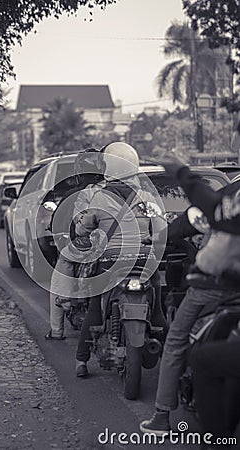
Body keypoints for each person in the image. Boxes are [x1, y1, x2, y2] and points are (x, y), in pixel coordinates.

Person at [140, 153, 240, 436]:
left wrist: (181, 173)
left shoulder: (230, 197)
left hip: (212, 285)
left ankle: (162, 416)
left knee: (176, 340)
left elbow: (201, 213)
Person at [74, 142, 168, 377]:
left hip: (109, 261)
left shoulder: (99, 197)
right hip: (143, 260)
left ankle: (81, 361)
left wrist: (82, 231)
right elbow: (161, 227)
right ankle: (170, 355)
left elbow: (84, 228)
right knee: (157, 302)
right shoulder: (146, 197)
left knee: (95, 308)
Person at [45, 149, 105, 340]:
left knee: (62, 269)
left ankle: (57, 331)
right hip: (116, 246)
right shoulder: (112, 191)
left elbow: (59, 222)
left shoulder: (74, 194)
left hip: (83, 247)